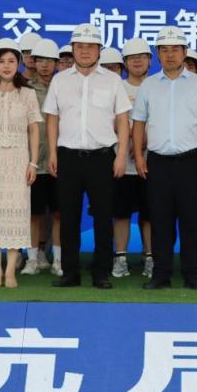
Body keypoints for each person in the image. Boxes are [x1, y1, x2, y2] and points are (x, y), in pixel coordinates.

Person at [132, 26, 197, 290]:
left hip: (191, 161)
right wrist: (139, 156)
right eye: (164, 50)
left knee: (191, 220)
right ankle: (161, 275)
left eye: (175, 50)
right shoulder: (148, 85)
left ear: (184, 52)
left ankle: (192, 275)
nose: (170, 55)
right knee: (160, 221)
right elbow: (138, 123)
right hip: (157, 161)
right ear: (158, 54)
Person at [44, 24, 130, 288]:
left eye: (90, 47)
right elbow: (52, 119)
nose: (85, 51)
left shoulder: (112, 80)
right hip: (68, 156)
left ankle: (101, 272)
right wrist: (52, 152)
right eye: (80, 46)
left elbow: (123, 120)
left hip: (102, 158)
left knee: (103, 217)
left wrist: (121, 155)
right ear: (72, 49)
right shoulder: (60, 80)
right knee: (68, 217)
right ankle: (70, 272)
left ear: (99, 50)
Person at [0, 38, 41, 288]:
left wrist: (33, 163)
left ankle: (11, 271)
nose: (6, 65)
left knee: (17, 212)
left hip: (18, 160)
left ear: (19, 64)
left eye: (12, 61)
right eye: (2, 61)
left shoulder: (28, 94)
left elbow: (34, 129)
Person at [113, 38, 155, 279]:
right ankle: (120, 258)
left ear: (150, 60)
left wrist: (143, 140)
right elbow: (110, 119)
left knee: (150, 214)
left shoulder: (158, 85)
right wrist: (131, 138)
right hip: (122, 162)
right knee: (121, 213)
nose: (137, 61)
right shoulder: (116, 87)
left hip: (152, 162)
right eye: (132, 58)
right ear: (125, 62)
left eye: (142, 57)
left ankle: (150, 257)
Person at [21, 38, 62, 276]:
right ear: (33, 62)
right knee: (33, 214)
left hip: (59, 161)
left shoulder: (64, 86)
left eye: (50, 61)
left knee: (59, 213)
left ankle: (58, 260)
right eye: (40, 60)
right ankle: (32, 260)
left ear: (57, 63)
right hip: (33, 161)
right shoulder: (24, 88)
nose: (45, 65)